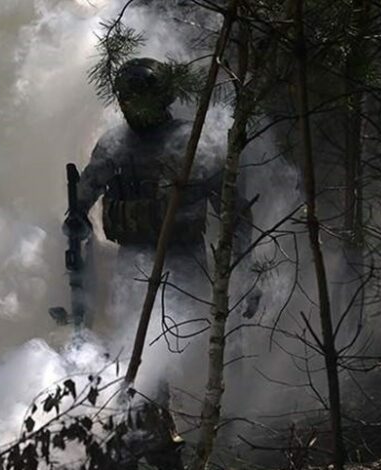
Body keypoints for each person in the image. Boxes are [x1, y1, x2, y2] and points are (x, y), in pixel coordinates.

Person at [62, 57, 259, 468]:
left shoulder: (191, 143)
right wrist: (75, 220)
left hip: (183, 260)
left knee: (172, 349)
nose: (135, 106)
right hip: (133, 260)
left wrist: (245, 265)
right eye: (128, 98)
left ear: (164, 97)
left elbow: (233, 208)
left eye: (143, 97)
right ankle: (150, 439)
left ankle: (188, 437)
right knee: (141, 354)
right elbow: (85, 195)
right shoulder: (115, 145)